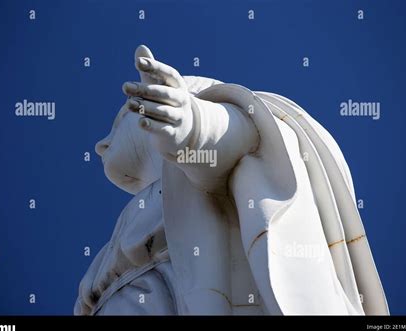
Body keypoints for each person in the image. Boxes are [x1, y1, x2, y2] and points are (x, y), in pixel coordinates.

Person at [74, 45, 389, 315]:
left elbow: (241, 137)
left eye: (120, 119)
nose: (102, 144)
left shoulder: (235, 139)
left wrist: (195, 125)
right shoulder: (136, 213)